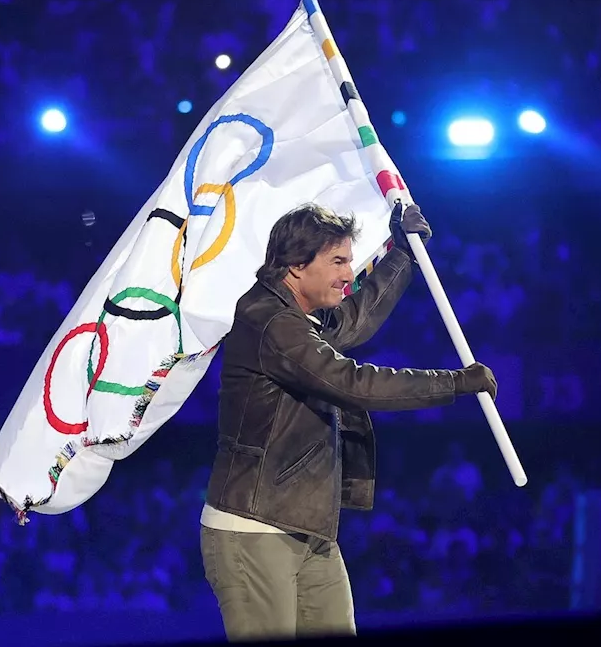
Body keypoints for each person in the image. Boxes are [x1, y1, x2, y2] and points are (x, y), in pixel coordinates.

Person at [199, 202, 498, 641]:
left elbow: (351, 322)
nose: (348, 272)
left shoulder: (299, 316)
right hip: (255, 529)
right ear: (296, 266)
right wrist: (453, 383)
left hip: (310, 530)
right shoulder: (269, 320)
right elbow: (352, 384)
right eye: (338, 261)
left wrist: (403, 254)